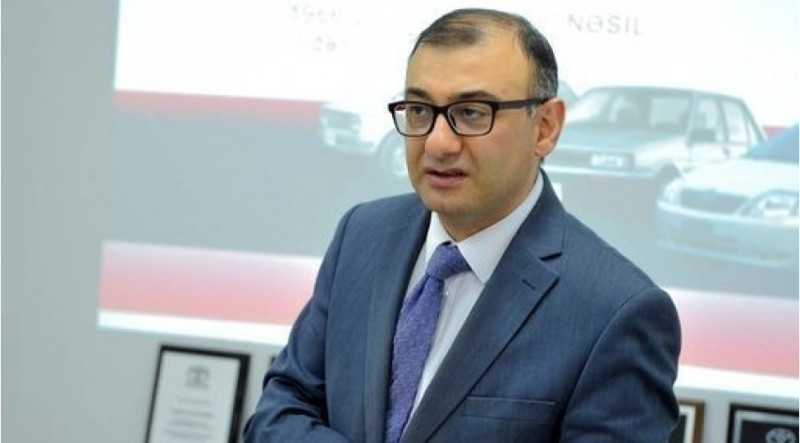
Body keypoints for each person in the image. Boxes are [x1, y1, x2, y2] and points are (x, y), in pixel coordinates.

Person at [244, 7, 681, 442]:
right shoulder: (363, 235)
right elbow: (279, 412)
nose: (437, 143)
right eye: (419, 110)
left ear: (545, 127)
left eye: (472, 113)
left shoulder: (618, 311)